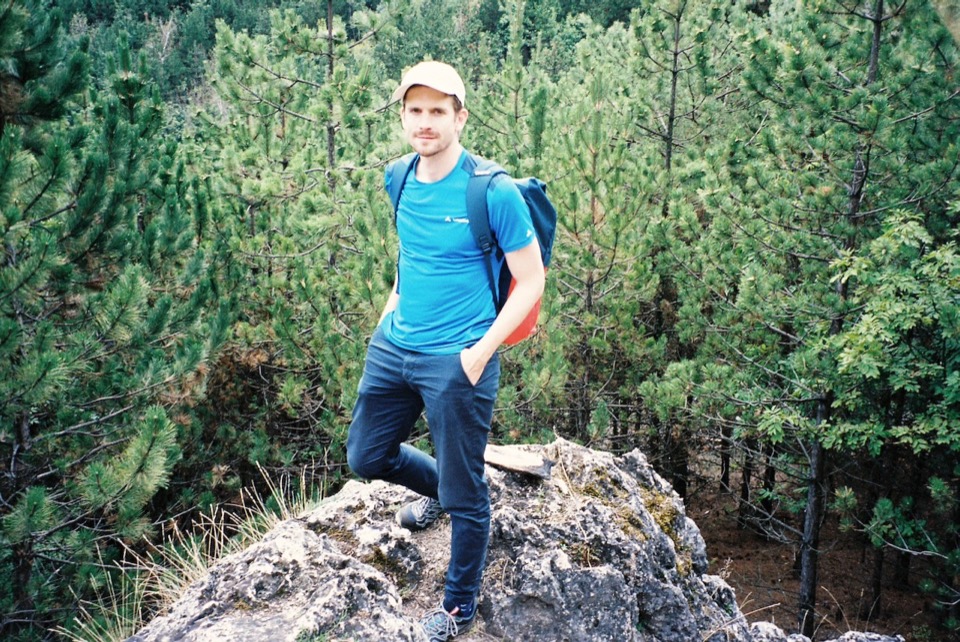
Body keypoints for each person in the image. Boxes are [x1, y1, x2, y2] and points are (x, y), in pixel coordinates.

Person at [345, 60, 545, 641]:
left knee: (468, 494)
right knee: (366, 456)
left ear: (460, 116)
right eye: (415, 110)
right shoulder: (398, 178)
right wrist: (388, 314)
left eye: (438, 111)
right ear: (403, 116)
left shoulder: (492, 191)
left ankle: (457, 608)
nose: (425, 122)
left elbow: (530, 281)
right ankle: (441, 491)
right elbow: (412, 257)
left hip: (459, 358)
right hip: (395, 347)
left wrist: (479, 354)